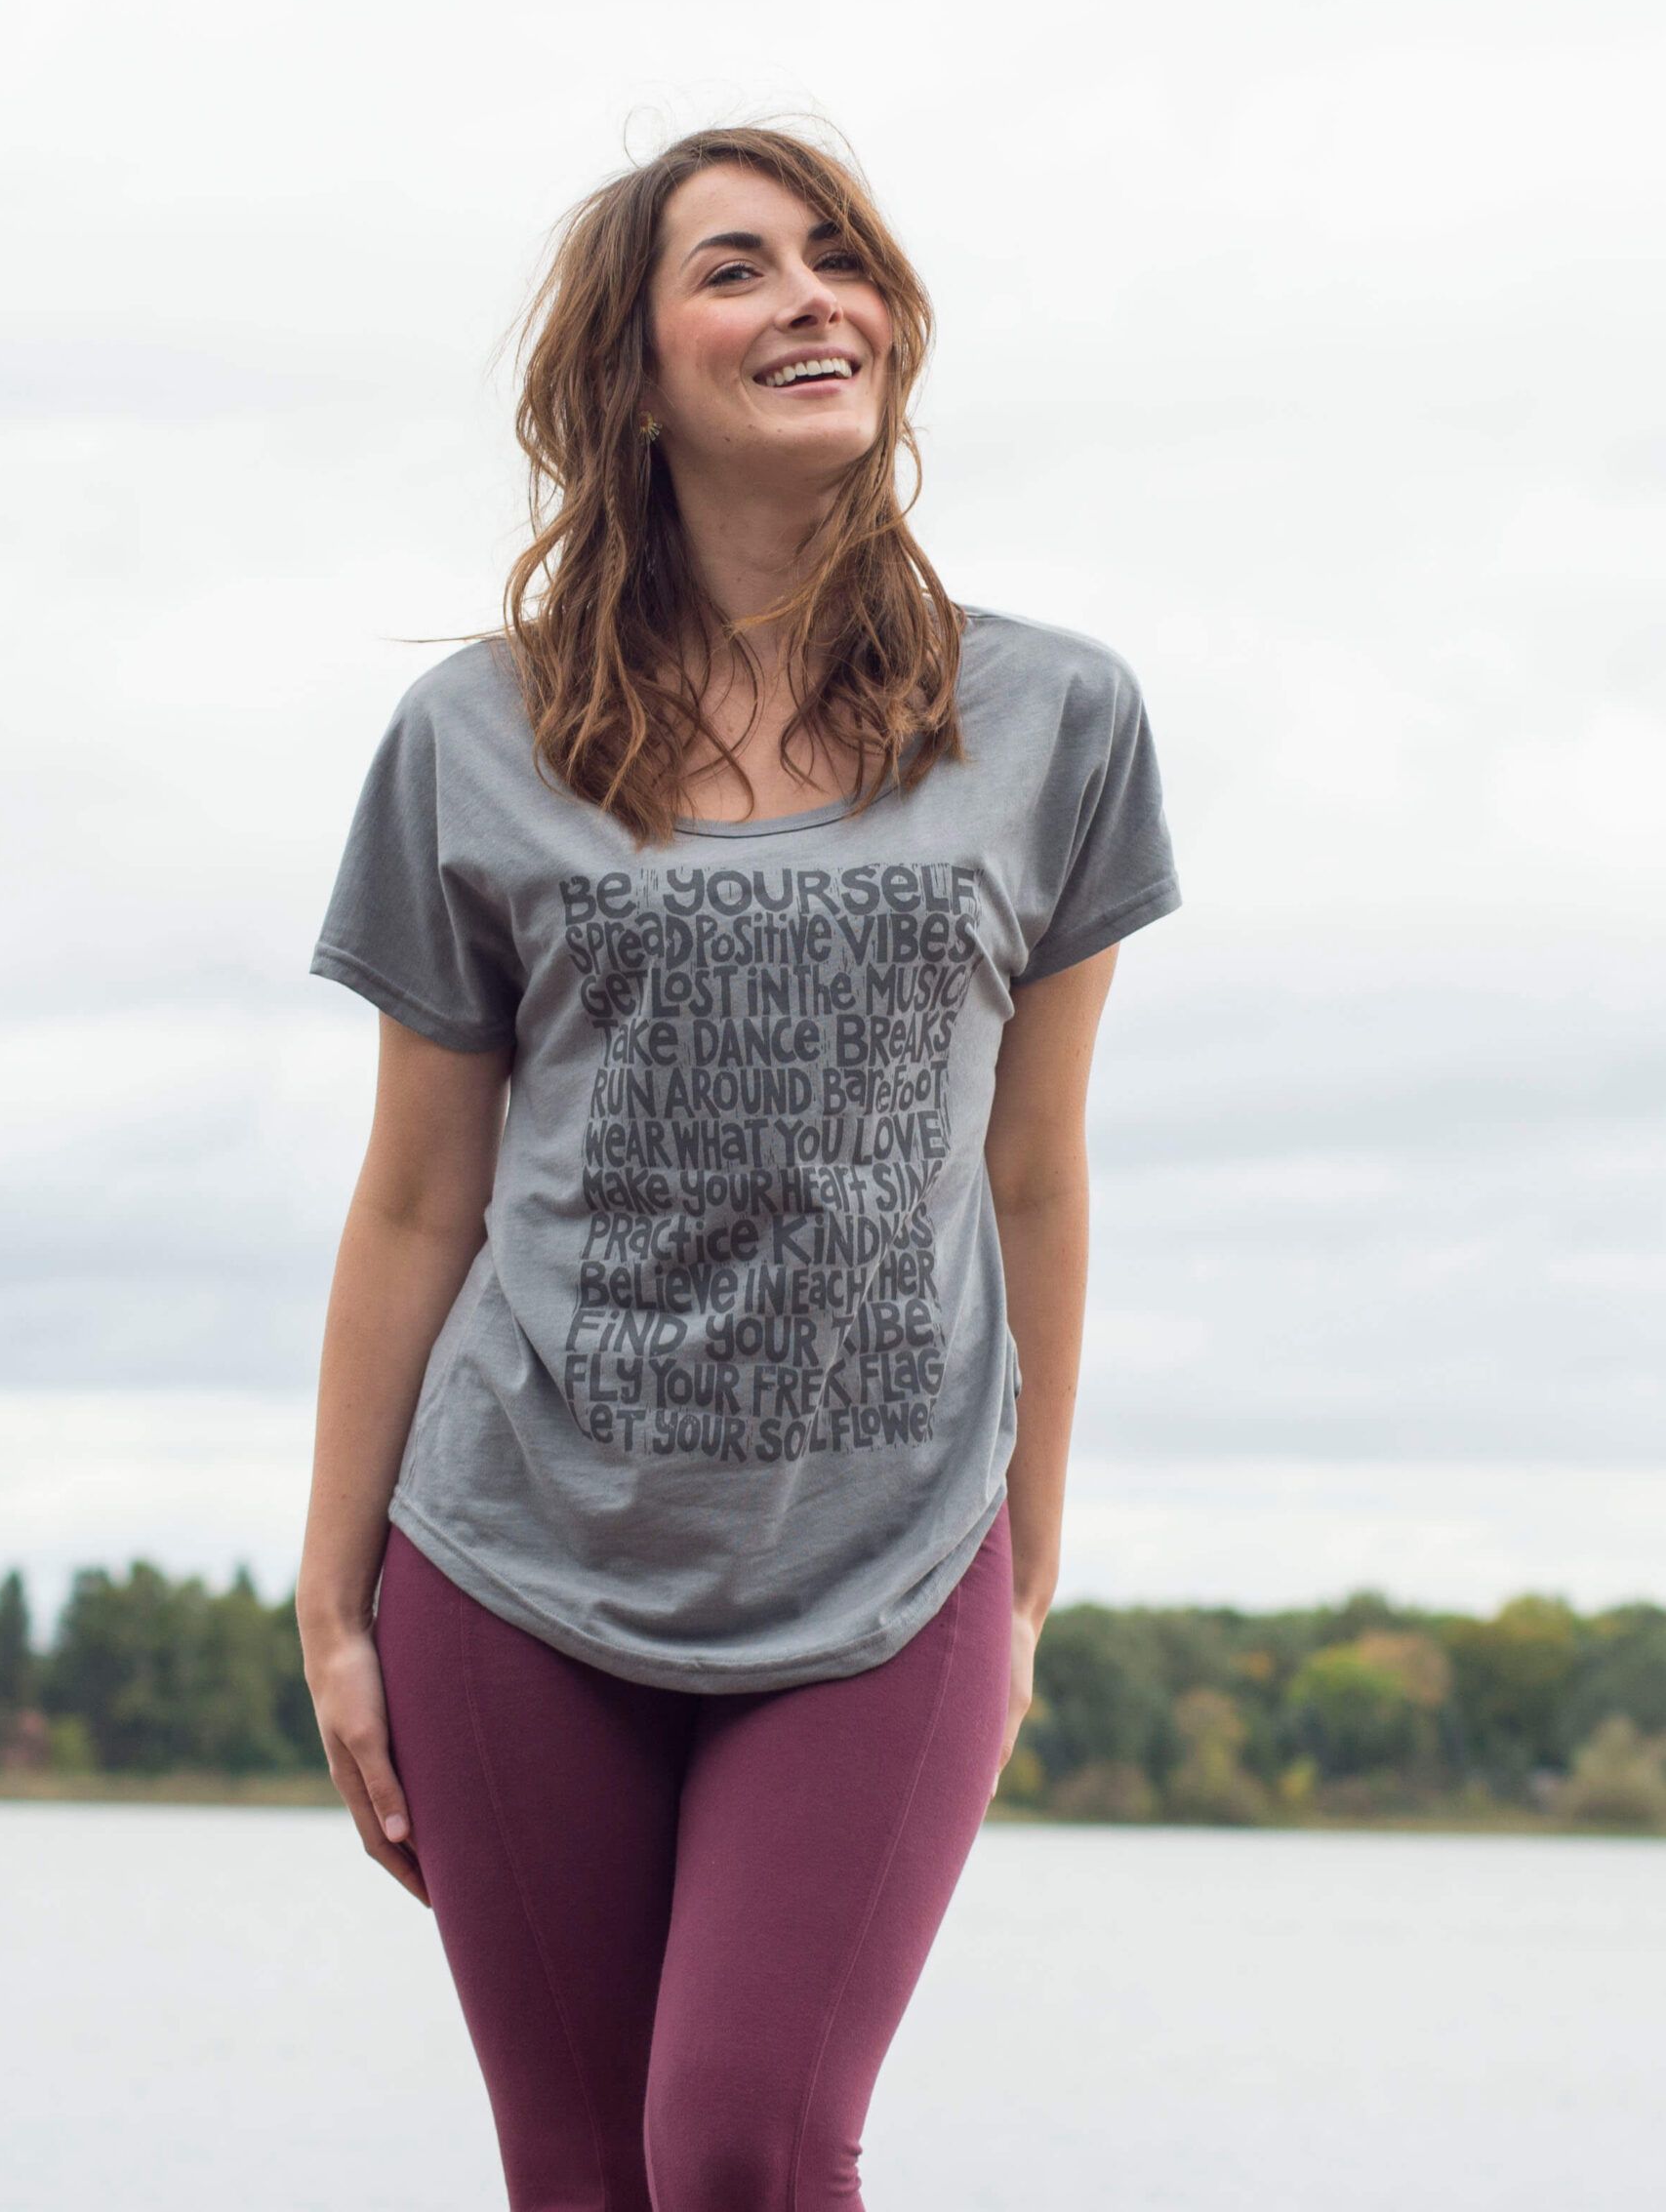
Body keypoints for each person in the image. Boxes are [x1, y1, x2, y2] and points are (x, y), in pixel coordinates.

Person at [296, 122, 1182, 2210]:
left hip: (889, 1561)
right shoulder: (473, 737)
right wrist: (331, 1598)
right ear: (631, 374)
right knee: (580, 2171)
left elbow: (1034, 1175)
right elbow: (416, 1195)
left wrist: (1024, 1564)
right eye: (737, 266)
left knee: (740, 2143)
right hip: (509, 1556)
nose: (811, 298)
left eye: (837, 256)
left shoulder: (1052, 719)